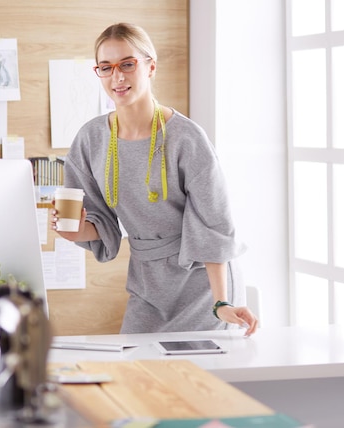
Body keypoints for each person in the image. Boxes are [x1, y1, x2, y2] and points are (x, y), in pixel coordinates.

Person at [51, 23, 258, 336]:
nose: (117, 77)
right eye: (106, 67)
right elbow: (99, 223)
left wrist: (222, 302)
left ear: (150, 66)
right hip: (148, 286)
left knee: (194, 381)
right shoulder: (91, 139)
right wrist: (75, 231)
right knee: (134, 368)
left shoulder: (187, 138)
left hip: (204, 285)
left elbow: (213, 224)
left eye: (127, 64)